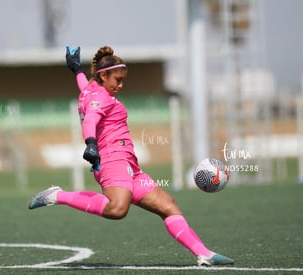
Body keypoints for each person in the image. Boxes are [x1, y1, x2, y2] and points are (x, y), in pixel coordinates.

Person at [28, 45, 234, 266]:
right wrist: (91, 144)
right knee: (117, 209)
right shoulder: (101, 98)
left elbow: (84, 86)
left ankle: (204, 254)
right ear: (103, 75)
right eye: (117, 79)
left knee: (168, 205)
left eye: (122, 80)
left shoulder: (91, 89)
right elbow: (90, 120)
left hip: (129, 164)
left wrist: (76, 69)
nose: (120, 85)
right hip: (112, 159)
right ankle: (58, 196)